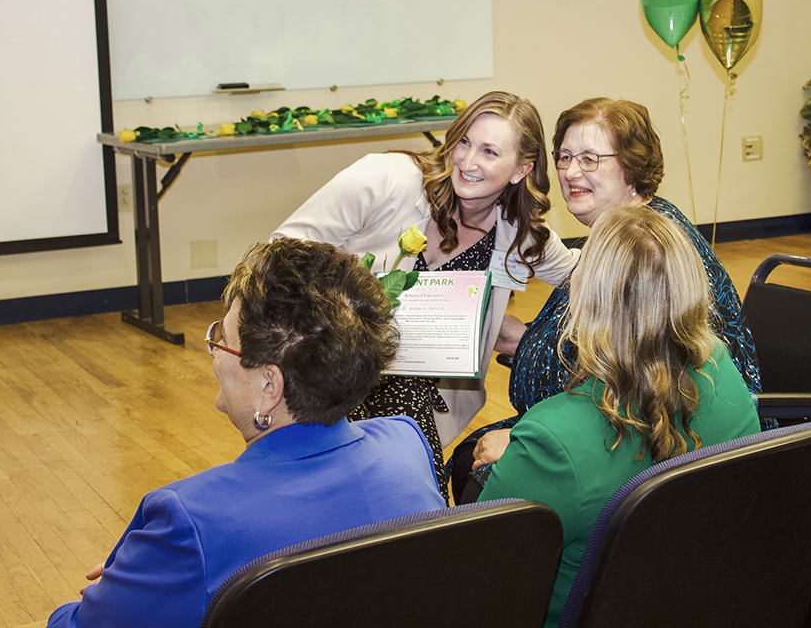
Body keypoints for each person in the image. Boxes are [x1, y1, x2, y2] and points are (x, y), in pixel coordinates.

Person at [47, 239, 446, 628]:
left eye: (224, 339)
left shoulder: (190, 521)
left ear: (270, 387)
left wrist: (129, 584)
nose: (216, 350)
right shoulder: (407, 443)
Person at [449, 97, 761, 501]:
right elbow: (593, 344)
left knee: (468, 466)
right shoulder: (613, 239)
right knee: (466, 455)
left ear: (632, 170)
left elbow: (658, 386)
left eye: (590, 159)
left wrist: (531, 441)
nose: (571, 172)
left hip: (646, 452)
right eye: (564, 157)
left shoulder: (648, 252)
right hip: (593, 427)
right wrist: (514, 336)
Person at [270, 91, 579, 497]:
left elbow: (583, 275)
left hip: (416, 398)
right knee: (328, 499)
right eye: (465, 142)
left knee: (407, 500)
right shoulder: (387, 179)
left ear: (522, 169)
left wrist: (532, 337)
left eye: (489, 152)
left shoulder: (518, 234)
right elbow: (283, 250)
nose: (467, 162)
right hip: (333, 373)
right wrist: (342, 308)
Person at [479, 206, 761, 628]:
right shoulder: (723, 371)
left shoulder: (551, 441)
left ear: (581, 298)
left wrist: (522, 453)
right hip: (703, 602)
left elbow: (475, 578)